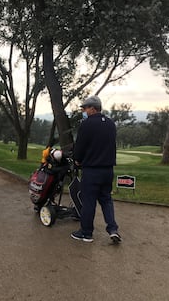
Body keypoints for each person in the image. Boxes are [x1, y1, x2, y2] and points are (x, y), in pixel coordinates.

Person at [71, 95, 122, 244]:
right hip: (108, 170)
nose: (84, 111)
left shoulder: (87, 124)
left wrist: (77, 160)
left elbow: (80, 147)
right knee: (106, 200)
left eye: (85, 108)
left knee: (89, 202)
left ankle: (86, 233)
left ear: (93, 108)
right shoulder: (111, 124)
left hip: (92, 170)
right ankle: (113, 230)